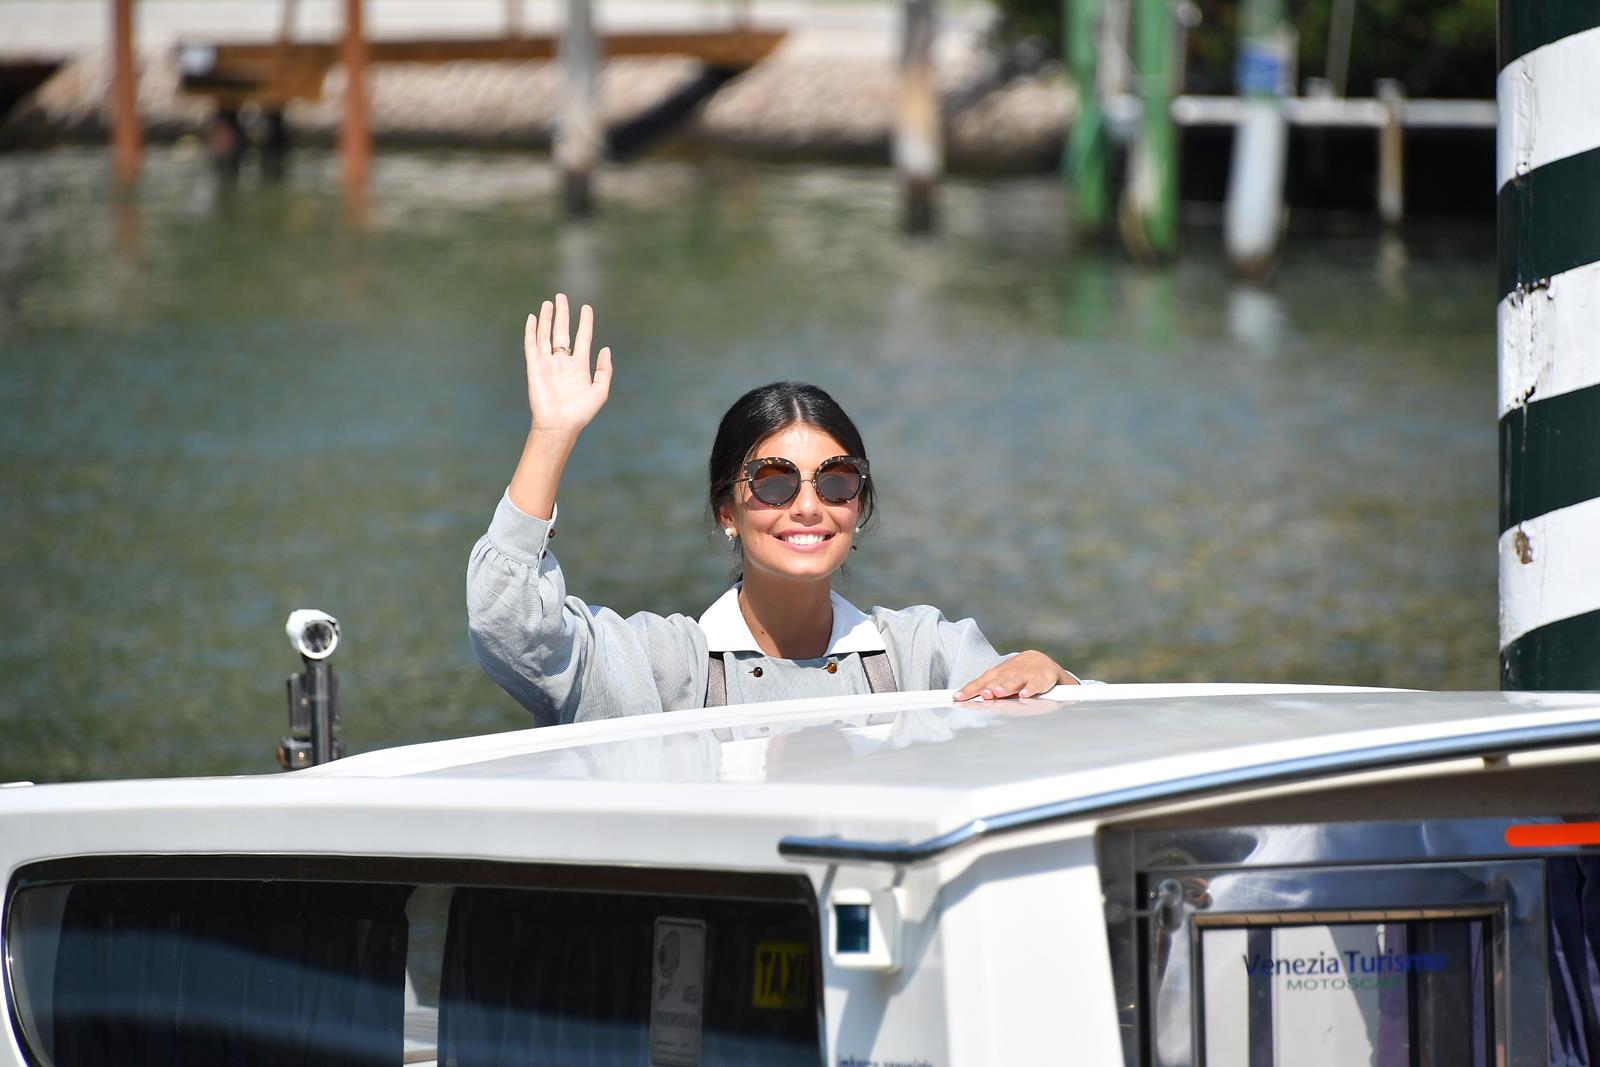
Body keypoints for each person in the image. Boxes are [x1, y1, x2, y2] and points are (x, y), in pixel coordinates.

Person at [467, 294, 1083, 728]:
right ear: (726, 511)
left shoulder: (919, 655)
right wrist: (551, 435)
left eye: (838, 482)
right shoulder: (664, 668)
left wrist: (1046, 675)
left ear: (860, 505)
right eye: (773, 483)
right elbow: (509, 626)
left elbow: (1077, 731)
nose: (809, 507)